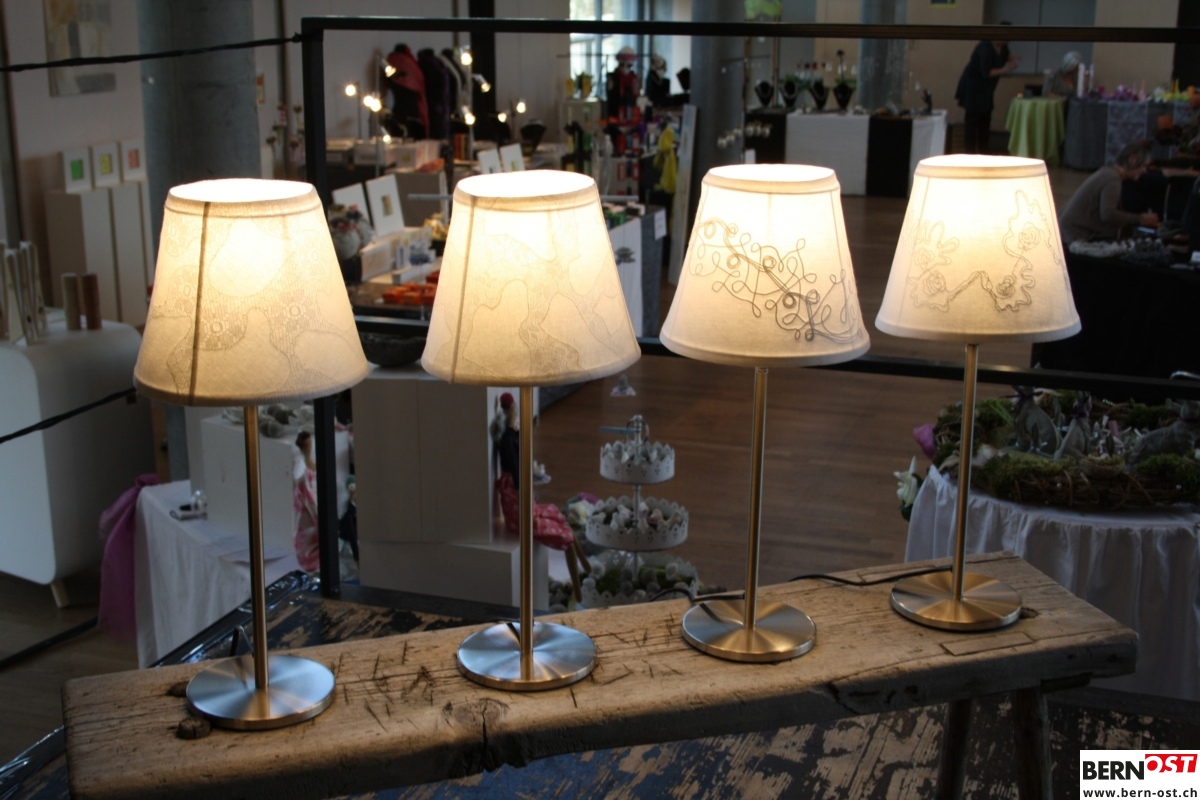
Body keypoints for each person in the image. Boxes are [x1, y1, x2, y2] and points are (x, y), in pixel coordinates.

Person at [1058, 141, 1160, 244]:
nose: (1144, 170)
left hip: (1065, 231)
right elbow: (1108, 214)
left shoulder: (1107, 172)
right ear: (1132, 159)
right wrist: (1141, 218)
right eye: (1144, 166)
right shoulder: (1112, 180)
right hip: (1072, 236)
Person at [955, 33, 1020, 153]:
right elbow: (986, 72)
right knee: (972, 122)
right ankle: (970, 152)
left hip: (987, 90)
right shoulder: (985, 47)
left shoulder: (1003, 47)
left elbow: (1003, 56)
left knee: (985, 119)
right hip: (974, 88)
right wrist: (1007, 68)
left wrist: (1012, 58)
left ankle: (983, 150)